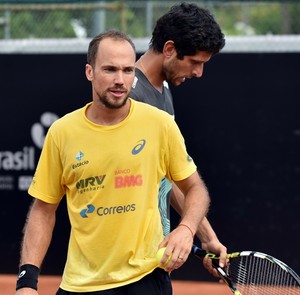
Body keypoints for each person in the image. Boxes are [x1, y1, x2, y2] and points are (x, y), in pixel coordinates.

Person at [15, 30, 211, 295]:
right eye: (109, 69)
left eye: (128, 70)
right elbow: (43, 210)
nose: (120, 80)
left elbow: (195, 188)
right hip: (81, 285)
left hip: (147, 279)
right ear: (89, 72)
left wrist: (187, 229)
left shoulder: (160, 124)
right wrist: (27, 282)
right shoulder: (62, 132)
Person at [130, 3, 227, 275]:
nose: (198, 73)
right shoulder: (130, 96)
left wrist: (205, 236)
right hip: (124, 264)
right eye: (194, 62)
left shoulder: (162, 91)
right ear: (170, 49)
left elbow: (168, 176)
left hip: (152, 258)